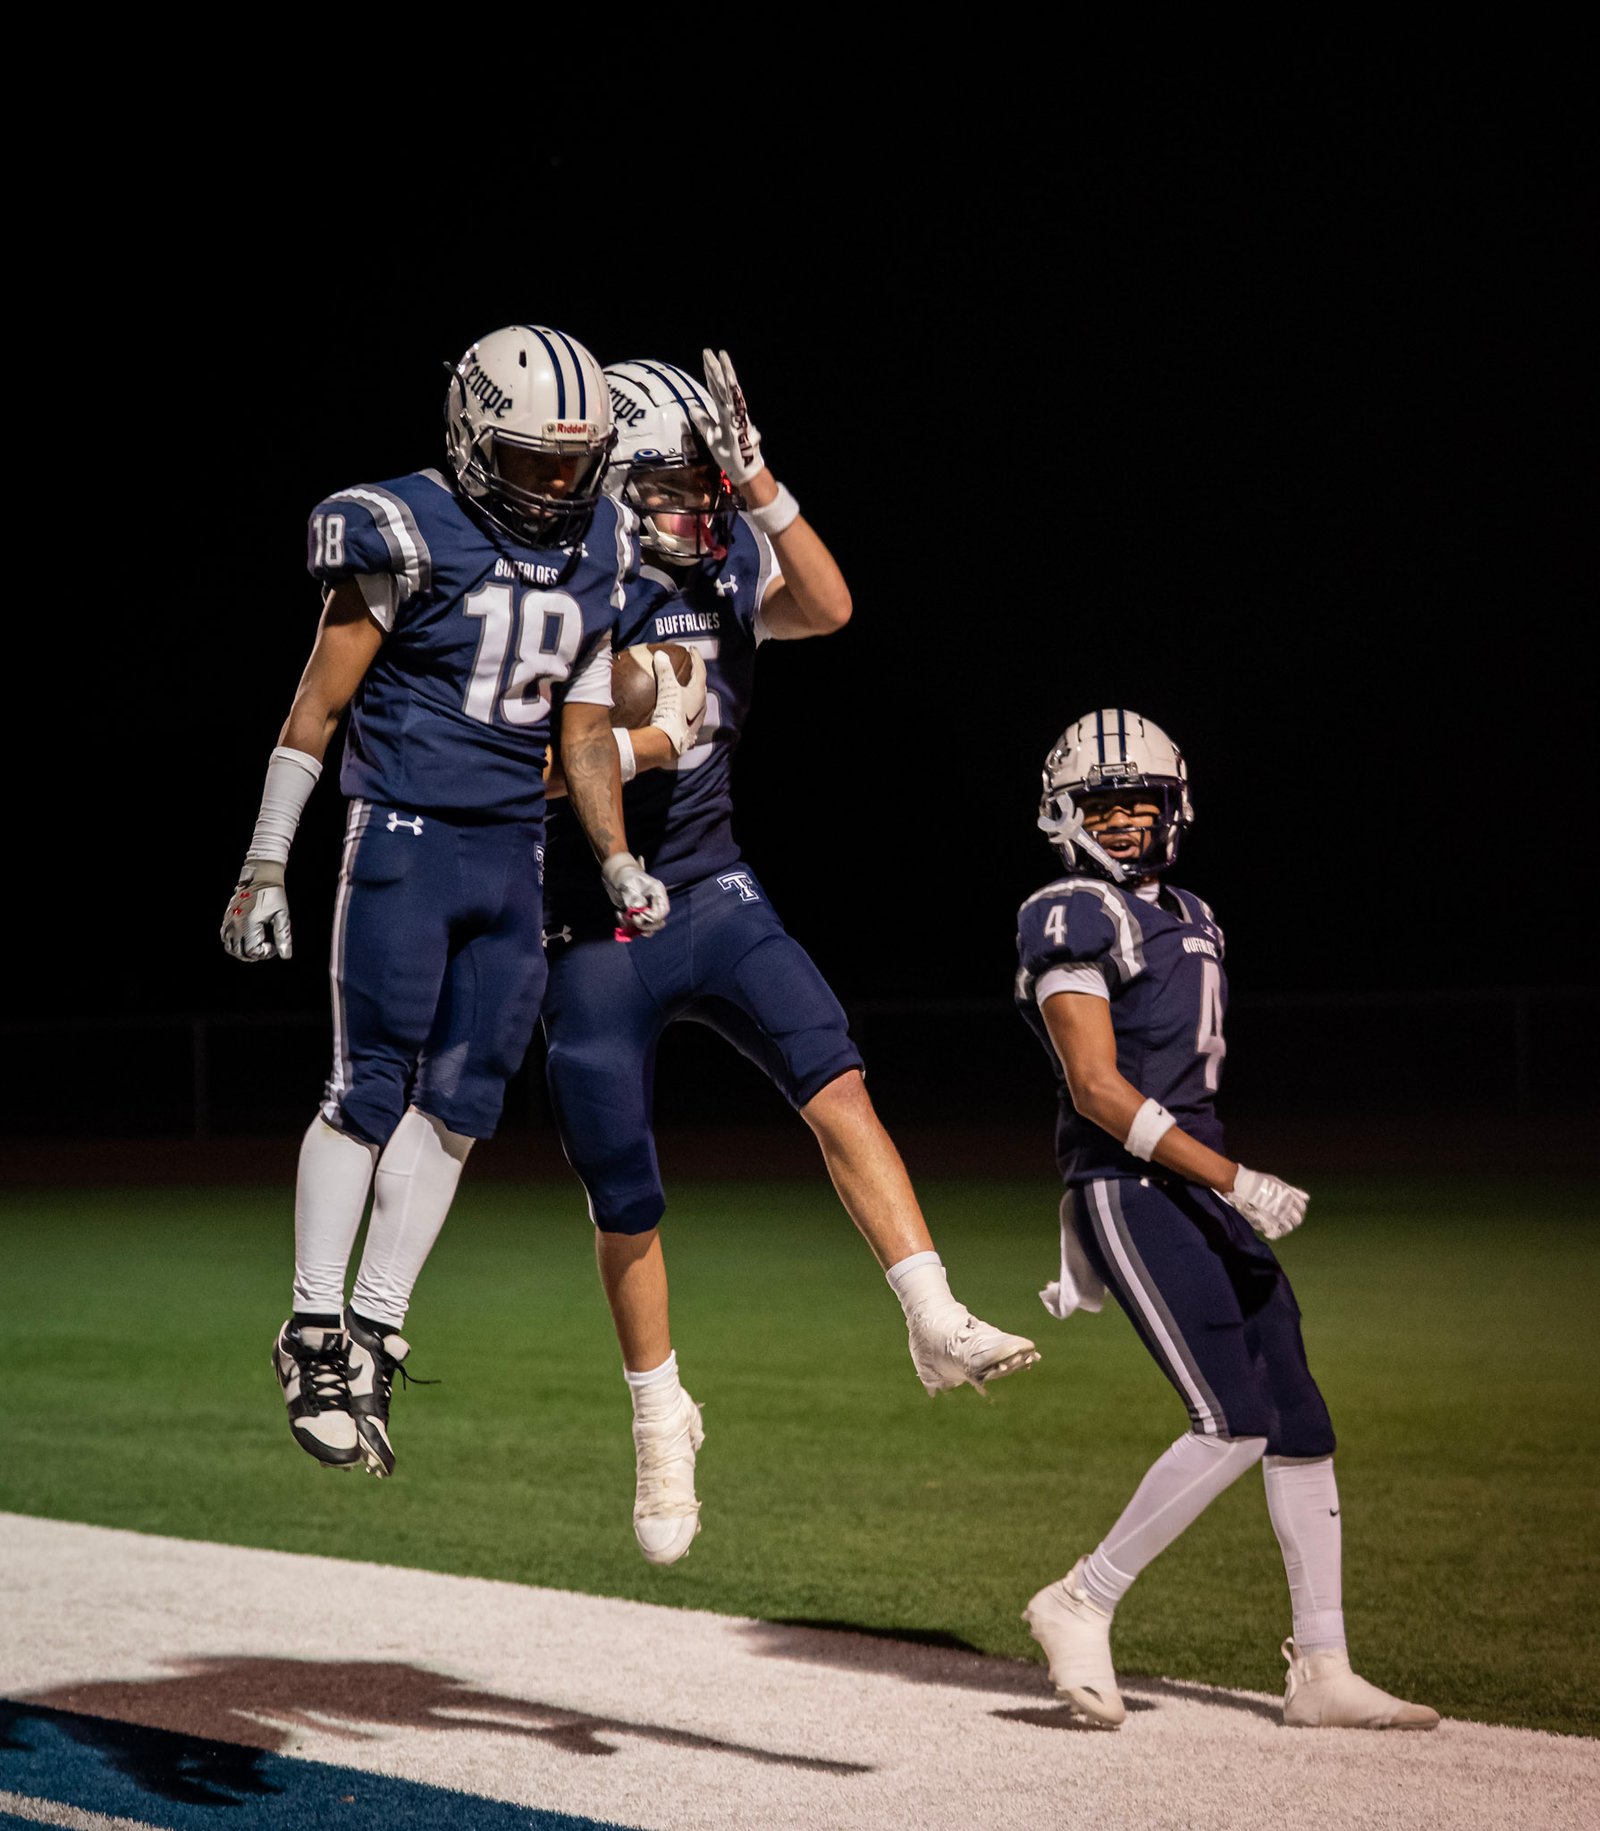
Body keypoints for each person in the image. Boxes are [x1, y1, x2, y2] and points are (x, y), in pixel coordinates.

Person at [538, 351, 1041, 1567]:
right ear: (611, 484)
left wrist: (761, 483)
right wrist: (648, 742)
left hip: (714, 890)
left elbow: (828, 606)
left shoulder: (720, 564)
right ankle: (660, 1417)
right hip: (593, 925)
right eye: (674, 485)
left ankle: (930, 1313)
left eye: (704, 485)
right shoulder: (558, 592)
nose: (694, 507)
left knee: (836, 1078)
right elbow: (527, 770)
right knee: (622, 1181)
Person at [220, 324, 671, 1481]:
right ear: (474, 439)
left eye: (575, 464)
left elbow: (583, 730)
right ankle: (310, 1332)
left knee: (466, 1100)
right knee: (367, 1086)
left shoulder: (602, 543)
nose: (557, 486)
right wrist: (267, 858)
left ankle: (374, 1328)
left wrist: (616, 857)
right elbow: (317, 706)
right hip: (405, 840)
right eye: (533, 461)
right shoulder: (404, 526)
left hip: (512, 853)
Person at [1013, 708, 1438, 1731]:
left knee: (1296, 1415)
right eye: (1103, 807)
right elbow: (1095, 1088)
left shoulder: (1194, 913)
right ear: (1064, 817)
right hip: (1135, 1182)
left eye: (1140, 803)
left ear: (1176, 807)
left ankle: (1321, 1667)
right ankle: (1080, 1598)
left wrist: (1218, 1183)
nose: (1125, 822)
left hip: (1189, 1184)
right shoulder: (1070, 910)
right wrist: (1234, 1179)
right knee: (1230, 1418)